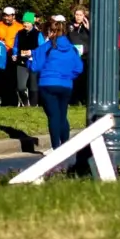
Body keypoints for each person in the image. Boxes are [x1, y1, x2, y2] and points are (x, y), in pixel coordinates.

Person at [29, 14, 85, 152]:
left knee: (53, 116)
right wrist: (68, 76)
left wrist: (29, 61)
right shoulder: (72, 49)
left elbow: (35, 67)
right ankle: (65, 146)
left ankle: (55, 148)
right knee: (62, 115)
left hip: (48, 84)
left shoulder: (46, 47)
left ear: (51, 31)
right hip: (66, 85)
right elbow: (79, 68)